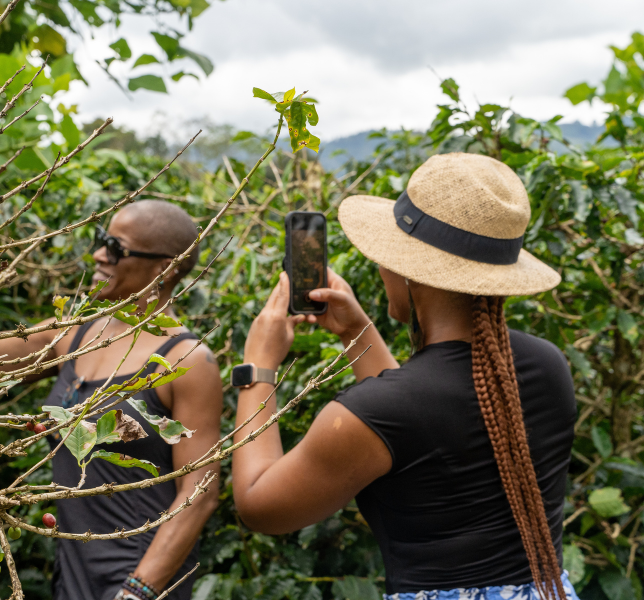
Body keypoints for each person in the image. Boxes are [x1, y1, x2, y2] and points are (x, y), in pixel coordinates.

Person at [231, 153, 579, 600]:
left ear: (410, 273)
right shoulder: (548, 366)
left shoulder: (378, 412)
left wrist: (258, 368)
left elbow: (260, 506)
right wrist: (357, 333)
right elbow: (422, 430)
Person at [0, 197, 222, 600]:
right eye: (103, 239)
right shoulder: (73, 334)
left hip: (140, 576)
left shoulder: (187, 360)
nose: (99, 254)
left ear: (165, 268)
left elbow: (199, 493)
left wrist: (137, 591)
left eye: (116, 248)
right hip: (73, 570)